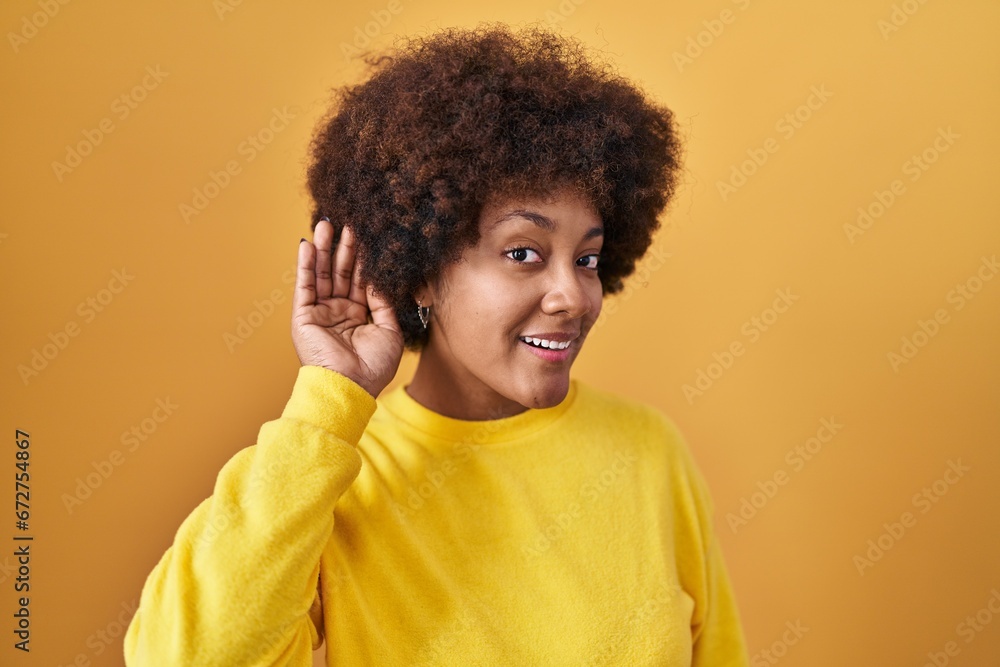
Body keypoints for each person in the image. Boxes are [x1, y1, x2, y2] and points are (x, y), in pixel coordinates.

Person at [124, 21, 749, 666]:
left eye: (587, 259)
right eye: (523, 253)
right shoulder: (338, 477)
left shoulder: (649, 452)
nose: (572, 296)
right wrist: (327, 400)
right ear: (422, 270)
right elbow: (188, 656)